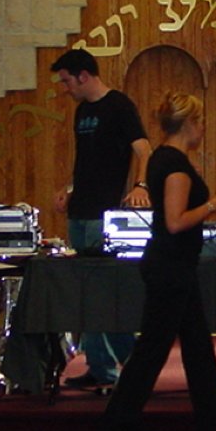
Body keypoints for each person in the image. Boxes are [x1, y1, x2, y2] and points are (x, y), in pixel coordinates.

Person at [97, 92, 216, 431]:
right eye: (200, 121)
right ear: (189, 123)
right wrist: (214, 204)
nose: (203, 128)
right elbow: (175, 221)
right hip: (171, 268)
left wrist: (213, 208)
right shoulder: (176, 165)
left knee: (197, 352)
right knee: (154, 352)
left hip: (171, 265)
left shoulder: (162, 158)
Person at [50, 48, 151, 388]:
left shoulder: (119, 106)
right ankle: (128, 362)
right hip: (79, 212)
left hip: (103, 214)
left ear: (83, 76)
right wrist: (69, 188)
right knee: (90, 295)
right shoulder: (82, 112)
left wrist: (140, 186)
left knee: (98, 296)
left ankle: (108, 367)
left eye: (67, 81)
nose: (65, 88)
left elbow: (144, 150)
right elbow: (85, 162)